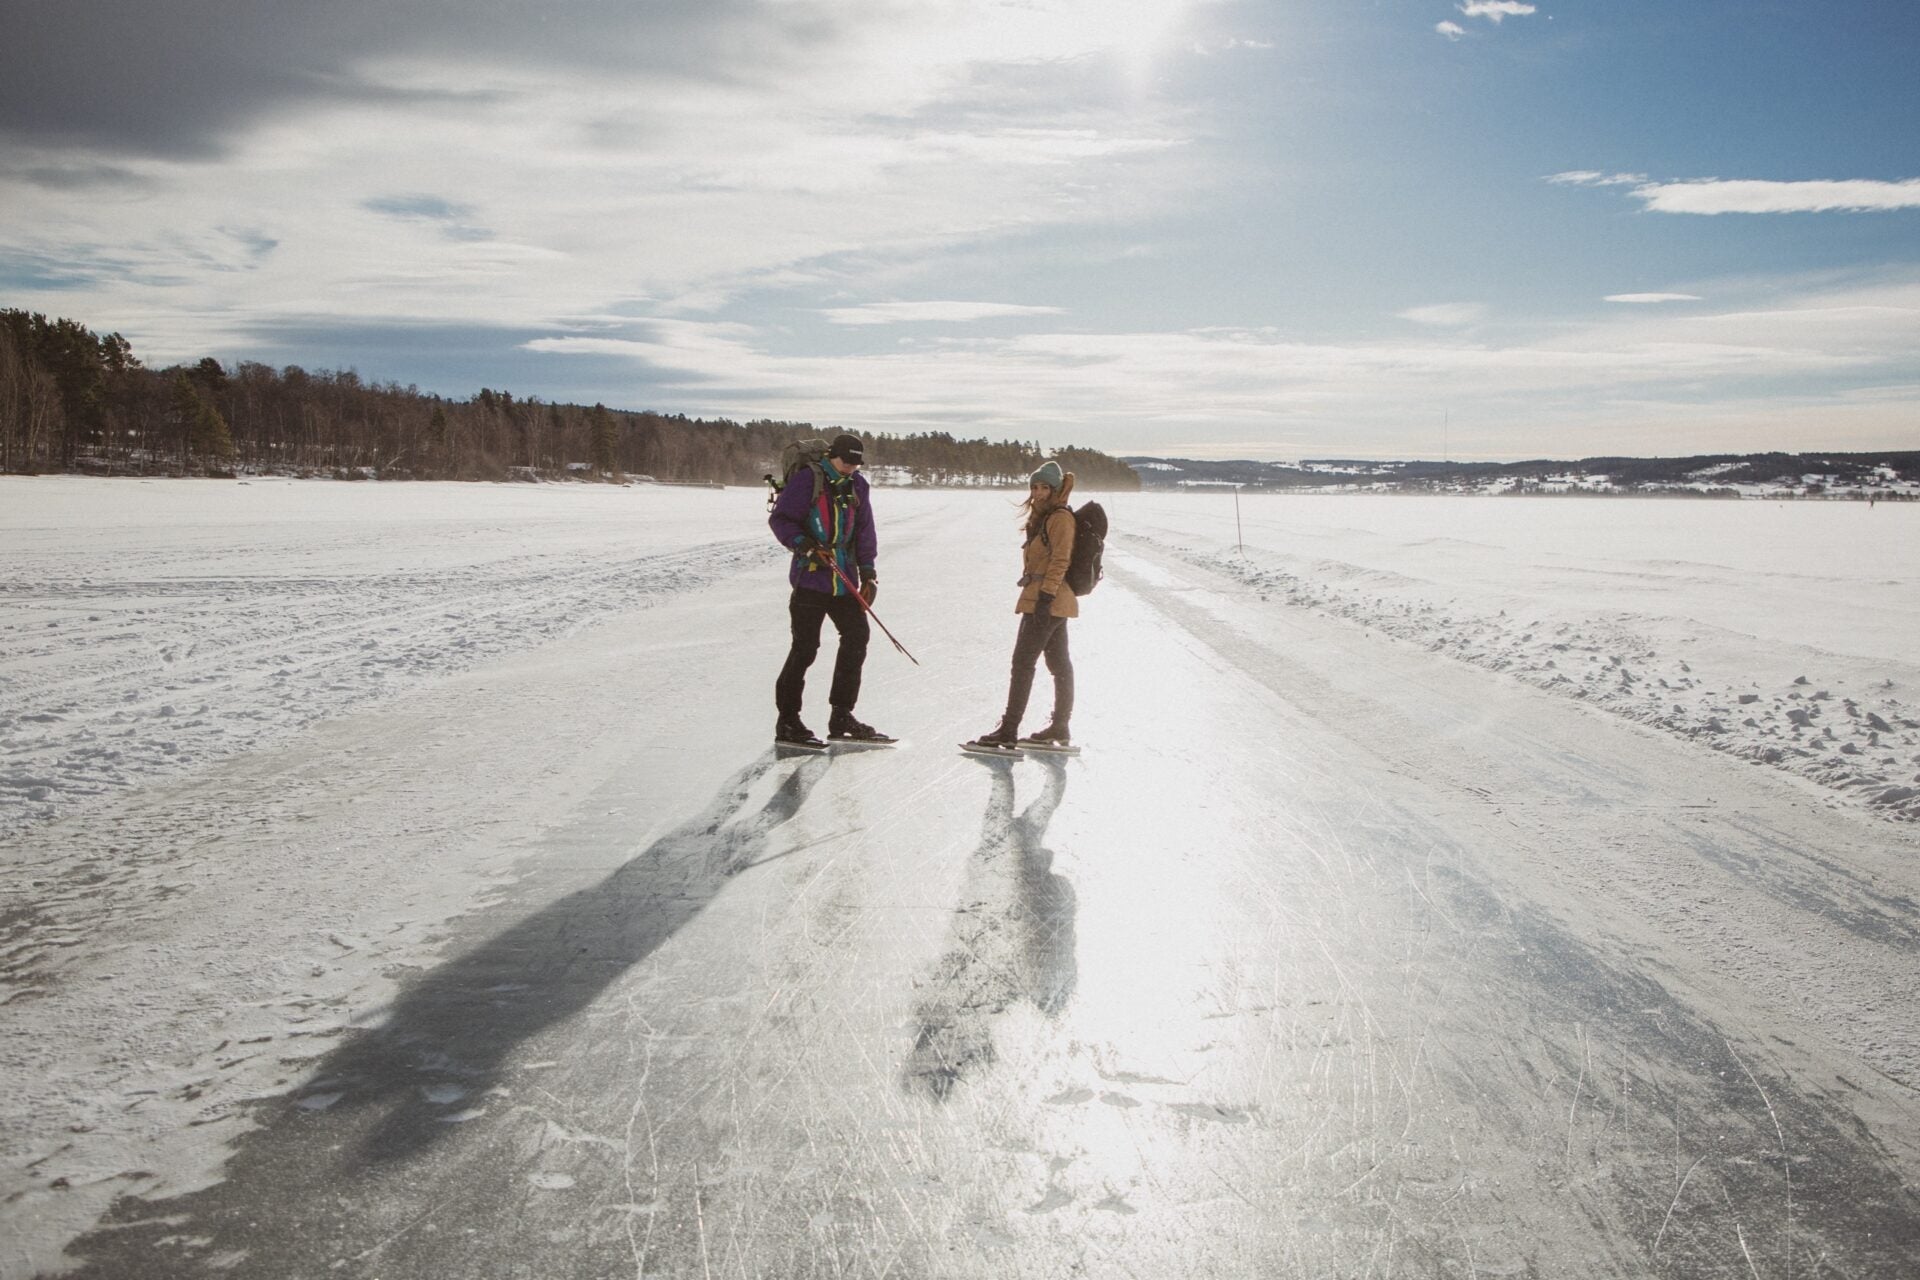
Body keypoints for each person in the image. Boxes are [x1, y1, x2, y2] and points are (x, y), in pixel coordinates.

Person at [768, 433, 887, 745]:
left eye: (856, 463)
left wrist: (868, 572)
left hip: (844, 579)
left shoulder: (858, 485)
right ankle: (788, 720)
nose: (851, 467)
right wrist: (806, 546)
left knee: (857, 637)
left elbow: (865, 530)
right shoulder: (809, 479)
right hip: (810, 579)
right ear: (832, 455)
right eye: (846, 461)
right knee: (805, 648)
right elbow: (781, 520)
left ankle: (841, 715)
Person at [972, 459, 1078, 749]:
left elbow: (1061, 559)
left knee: (1023, 663)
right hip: (1047, 598)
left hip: (1047, 600)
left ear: (1055, 489)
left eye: (1045, 487)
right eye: (1035, 487)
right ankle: (1060, 727)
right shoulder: (1046, 517)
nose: (1038, 493)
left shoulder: (1060, 518)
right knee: (1058, 664)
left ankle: (1009, 729)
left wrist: (1046, 597)